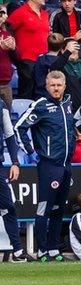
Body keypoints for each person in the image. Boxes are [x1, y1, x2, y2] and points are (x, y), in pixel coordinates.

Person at [15, 71, 76, 261]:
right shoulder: (40, 106)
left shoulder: (68, 104)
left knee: (59, 209)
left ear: (64, 86)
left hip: (66, 164)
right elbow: (19, 127)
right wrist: (31, 153)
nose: (56, 89)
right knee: (44, 208)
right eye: (53, 85)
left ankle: (53, 249)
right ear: (47, 86)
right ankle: (41, 250)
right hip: (49, 164)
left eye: (59, 85)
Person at [9, 0, 50, 99]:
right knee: (26, 94)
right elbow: (6, 30)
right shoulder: (20, 13)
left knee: (42, 95)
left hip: (43, 61)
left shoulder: (45, 14)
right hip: (27, 61)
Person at [0, 96, 22, 262]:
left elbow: (9, 135)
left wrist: (15, 162)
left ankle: (18, 251)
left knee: (8, 206)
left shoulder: (1, 105)